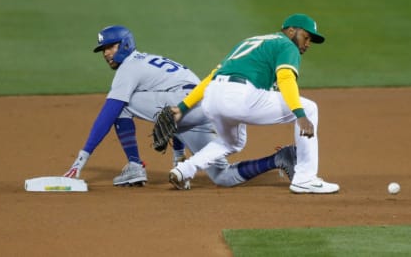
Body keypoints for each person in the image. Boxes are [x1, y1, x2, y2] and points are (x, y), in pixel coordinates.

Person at [62, 25, 299, 188]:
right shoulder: (152, 62)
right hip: (205, 105)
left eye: (110, 47)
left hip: (194, 105)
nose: (106, 53)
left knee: (121, 105)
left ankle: (135, 165)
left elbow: (109, 113)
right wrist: (177, 154)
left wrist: (80, 161)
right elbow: (172, 115)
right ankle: (278, 159)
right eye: (103, 50)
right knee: (222, 177)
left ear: (124, 45)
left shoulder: (129, 67)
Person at [167, 14, 340, 194]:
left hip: (212, 97)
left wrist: (182, 107)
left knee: (231, 142)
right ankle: (305, 178)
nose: (307, 43)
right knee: (309, 108)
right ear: (291, 31)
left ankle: (184, 170)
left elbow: (212, 76)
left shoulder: (251, 42)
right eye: (306, 37)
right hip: (239, 96)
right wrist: (300, 114)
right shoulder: (287, 45)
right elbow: (286, 78)